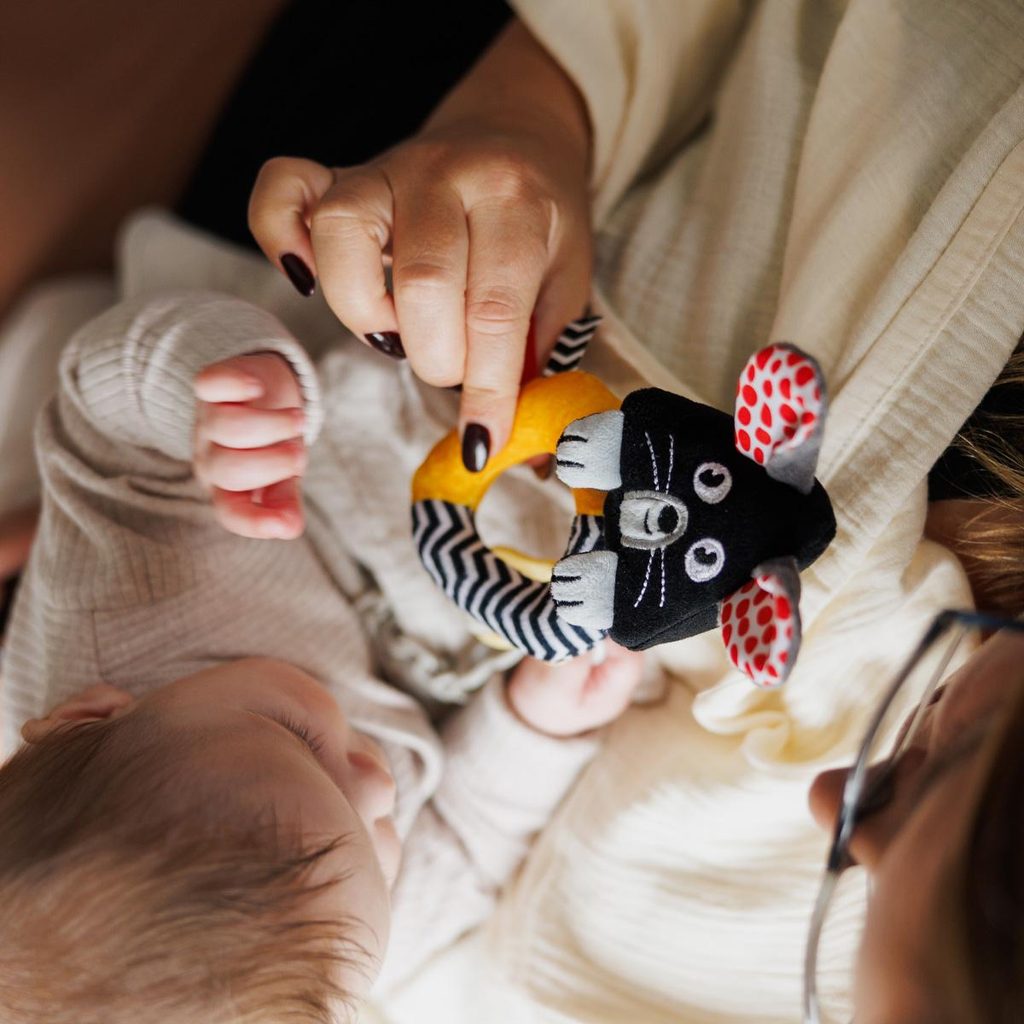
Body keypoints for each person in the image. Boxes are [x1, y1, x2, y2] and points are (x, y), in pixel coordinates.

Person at [0, 288, 646, 1022]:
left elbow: (96, 417)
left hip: (276, 489)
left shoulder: (124, 598)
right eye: (378, 856)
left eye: (301, 742)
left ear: (95, 714)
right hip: (401, 625)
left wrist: (227, 395)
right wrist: (533, 724)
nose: (379, 784)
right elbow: (464, 845)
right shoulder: (338, 957)